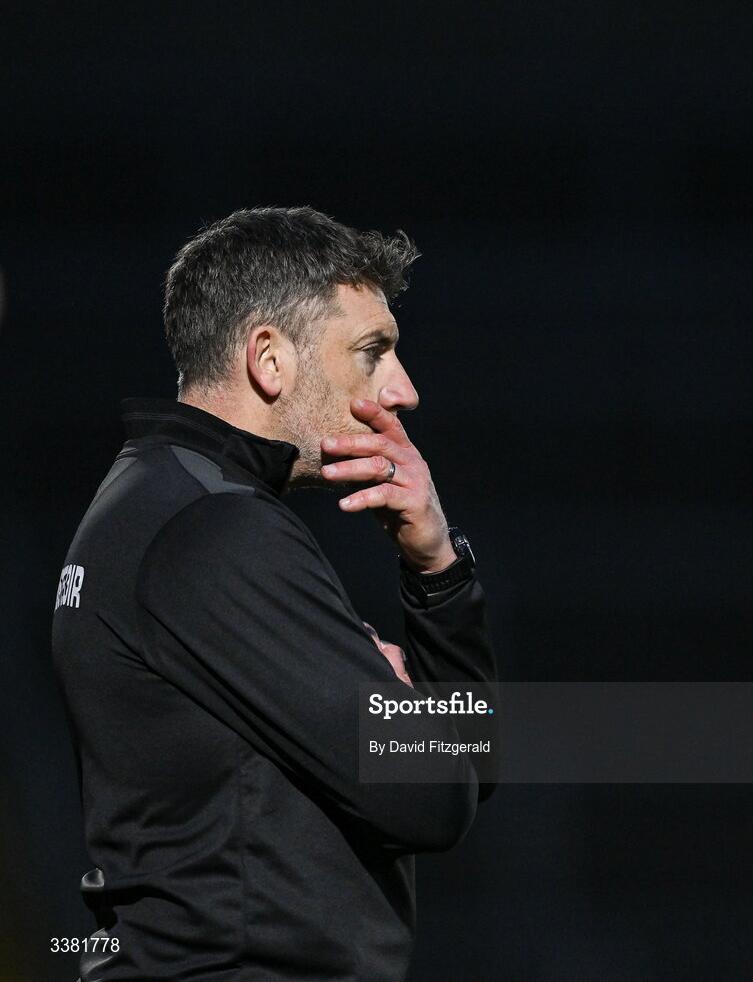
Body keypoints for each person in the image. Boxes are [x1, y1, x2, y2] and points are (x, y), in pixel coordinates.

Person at [52, 207, 498, 982]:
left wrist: (436, 570)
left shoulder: (151, 500)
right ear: (269, 358)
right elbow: (432, 797)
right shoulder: (215, 532)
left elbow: (468, 765)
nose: (404, 389)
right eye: (373, 351)